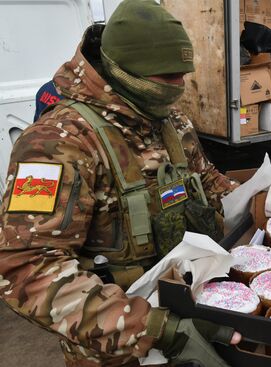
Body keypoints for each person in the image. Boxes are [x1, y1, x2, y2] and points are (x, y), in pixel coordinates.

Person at [0, 1, 242, 366]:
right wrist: (155, 328)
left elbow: (206, 181)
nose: (178, 87)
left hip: (189, 307)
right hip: (114, 350)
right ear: (122, 70)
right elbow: (26, 266)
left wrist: (265, 206)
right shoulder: (56, 143)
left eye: (183, 74)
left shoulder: (169, 121)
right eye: (166, 78)